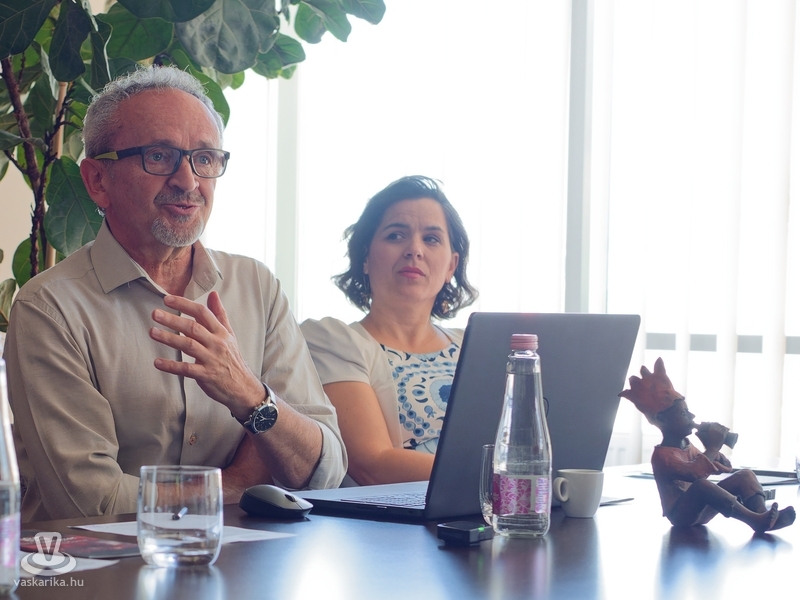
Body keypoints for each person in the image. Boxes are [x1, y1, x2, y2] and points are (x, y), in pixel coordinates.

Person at [3, 66, 346, 522]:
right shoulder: (49, 309)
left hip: (252, 560)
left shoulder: (256, 285)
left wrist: (250, 396)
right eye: (159, 156)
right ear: (97, 181)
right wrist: (237, 483)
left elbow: (324, 470)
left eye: (204, 158)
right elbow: (93, 503)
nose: (188, 181)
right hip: (101, 563)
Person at [300, 176, 477, 486]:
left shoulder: (475, 346)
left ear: (451, 266)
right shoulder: (332, 340)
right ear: (365, 258)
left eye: (431, 239)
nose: (415, 250)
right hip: (398, 515)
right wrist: (499, 477)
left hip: (486, 509)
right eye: (396, 235)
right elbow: (373, 464)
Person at [620, 358, 794, 533]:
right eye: (683, 413)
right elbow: (696, 474)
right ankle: (753, 520)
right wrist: (712, 448)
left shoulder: (686, 445)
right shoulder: (663, 456)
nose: (692, 416)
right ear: (662, 420)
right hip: (681, 514)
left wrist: (715, 453)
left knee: (745, 475)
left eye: (688, 411)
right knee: (702, 486)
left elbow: (718, 466)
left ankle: (763, 515)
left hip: (701, 508)